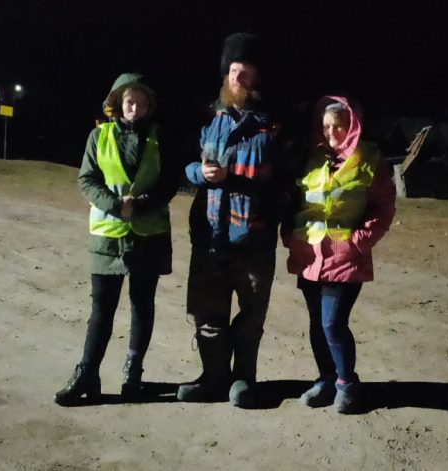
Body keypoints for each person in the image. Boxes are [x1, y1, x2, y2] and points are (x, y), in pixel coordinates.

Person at [54, 73, 178, 406]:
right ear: (117, 104)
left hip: (149, 234)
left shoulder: (160, 138)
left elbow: (169, 182)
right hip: (108, 238)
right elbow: (87, 179)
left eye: (141, 102)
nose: (135, 108)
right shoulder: (99, 136)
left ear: (150, 106)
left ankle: (133, 375)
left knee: (142, 305)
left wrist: (141, 205)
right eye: (129, 102)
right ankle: (87, 374)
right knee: (102, 309)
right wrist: (115, 205)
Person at [177, 33, 285, 408]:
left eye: (246, 71)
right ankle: (213, 377)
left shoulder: (273, 126)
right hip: (210, 236)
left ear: (257, 78)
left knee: (251, 318)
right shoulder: (208, 119)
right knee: (208, 315)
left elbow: (288, 178)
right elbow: (184, 164)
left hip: (254, 239)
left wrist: (266, 197)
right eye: (233, 70)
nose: (238, 77)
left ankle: (243, 380)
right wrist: (199, 173)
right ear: (225, 75)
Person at [282, 96, 396, 413]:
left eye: (338, 126)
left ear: (352, 126)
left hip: (346, 257)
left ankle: (347, 384)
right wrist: (289, 235)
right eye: (326, 126)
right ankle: (326, 379)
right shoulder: (311, 157)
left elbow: (383, 207)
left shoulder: (368, 157)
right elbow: (292, 200)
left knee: (332, 323)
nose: (331, 132)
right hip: (309, 256)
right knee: (317, 325)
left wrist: (358, 242)